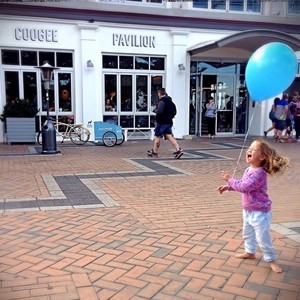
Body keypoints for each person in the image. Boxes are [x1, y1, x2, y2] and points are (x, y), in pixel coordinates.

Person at [217, 139, 290, 273]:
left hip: (260, 212)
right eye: (249, 148)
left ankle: (271, 260)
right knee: (247, 234)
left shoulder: (258, 173)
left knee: (262, 238)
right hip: (248, 210)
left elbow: (245, 187)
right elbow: (243, 185)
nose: (249, 151)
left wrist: (229, 179)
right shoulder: (249, 169)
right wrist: (229, 187)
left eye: (253, 149)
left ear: (262, 157)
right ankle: (250, 252)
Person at [147, 87, 183, 159]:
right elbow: (175, 112)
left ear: (159, 93)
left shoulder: (162, 101)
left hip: (161, 122)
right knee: (169, 136)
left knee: (157, 136)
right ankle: (178, 150)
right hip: (169, 122)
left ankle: (155, 152)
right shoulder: (171, 102)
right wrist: (171, 117)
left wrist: (154, 110)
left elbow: (159, 111)